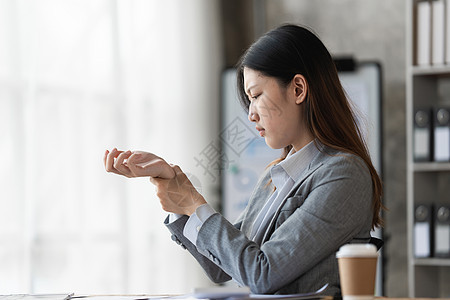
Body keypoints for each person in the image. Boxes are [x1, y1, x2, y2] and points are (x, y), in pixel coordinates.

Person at [103, 24, 384, 296]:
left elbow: (261, 274)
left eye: (256, 95)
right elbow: (222, 265)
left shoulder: (344, 174)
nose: (250, 115)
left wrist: (191, 200)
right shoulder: (274, 176)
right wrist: (175, 188)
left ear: (298, 89)